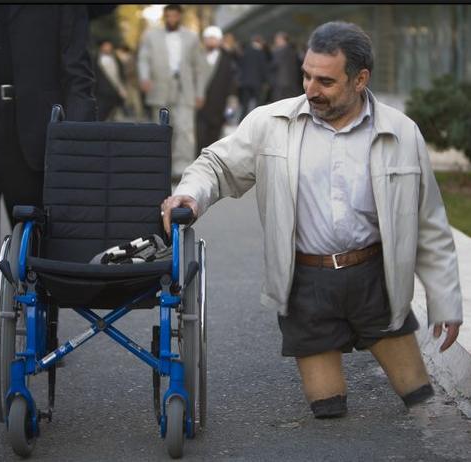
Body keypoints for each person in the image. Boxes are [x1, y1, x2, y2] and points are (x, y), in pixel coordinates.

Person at [161, 21, 463, 418]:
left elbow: (429, 223)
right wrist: (190, 193)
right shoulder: (271, 123)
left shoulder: (401, 132)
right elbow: (216, 165)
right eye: (306, 75)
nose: (310, 89)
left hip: (375, 280)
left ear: (360, 79)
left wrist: (445, 300)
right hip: (306, 284)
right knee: (328, 409)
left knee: (419, 396)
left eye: (325, 81)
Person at [0, 5, 96, 394]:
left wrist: (75, 140)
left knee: (38, 242)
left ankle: (43, 330)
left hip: (37, 127)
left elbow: (78, 70)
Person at [137, 4, 207, 181]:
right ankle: (159, 166)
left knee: (185, 129)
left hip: (185, 89)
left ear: (180, 16)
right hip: (160, 88)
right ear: (164, 16)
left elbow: (199, 68)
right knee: (161, 128)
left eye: (174, 16)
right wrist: (144, 77)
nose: (171, 19)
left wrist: (200, 93)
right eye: (168, 16)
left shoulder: (192, 37)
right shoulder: (151, 36)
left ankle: (182, 169)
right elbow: (143, 59)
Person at [196, 25, 237, 156]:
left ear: (219, 40)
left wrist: (231, 102)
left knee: (214, 138)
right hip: (199, 105)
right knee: (199, 137)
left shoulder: (227, 58)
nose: (211, 41)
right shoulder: (197, 56)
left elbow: (231, 81)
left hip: (219, 104)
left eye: (214, 38)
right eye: (208, 38)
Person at [237, 35, 270, 122]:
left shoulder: (245, 52)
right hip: (257, 83)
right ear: (260, 42)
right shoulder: (261, 53)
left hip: (245, 82)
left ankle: (241, 122)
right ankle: (256, 121)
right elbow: (264, 68)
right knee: (258, 105)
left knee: (245, 105)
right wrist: (266, 81)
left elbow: (240, 66)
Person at [94, 39, 127, 121]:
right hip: (101, 93)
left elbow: (120, 75)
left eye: (109, 46)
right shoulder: (95, 60)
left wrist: (122, 89)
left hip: (115, 92)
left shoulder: (116, 59)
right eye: (105, 46)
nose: (107, 48)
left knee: (115, 117)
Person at [269, 31, 303, 102]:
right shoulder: (293, 51)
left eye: (277, 39)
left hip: (280, 83)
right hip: (293, 82)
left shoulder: (278, 52)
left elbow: (273, 66)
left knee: (280, 104)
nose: (275, 41)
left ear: (282, 39)